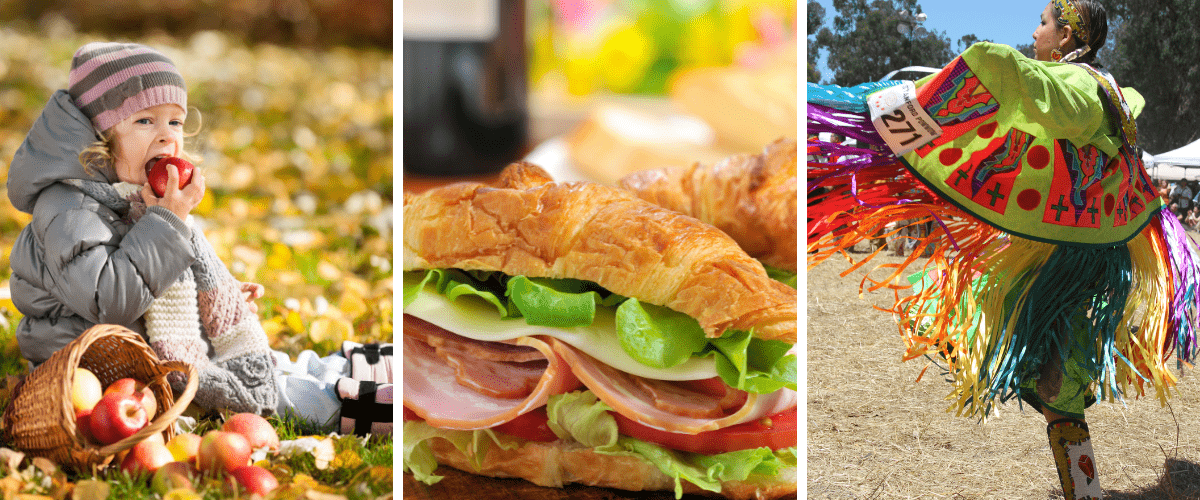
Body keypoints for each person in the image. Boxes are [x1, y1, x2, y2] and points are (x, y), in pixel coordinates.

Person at [807, 2, 1199, 499]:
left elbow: (1033, 88)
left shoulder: (1081, 88)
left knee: (1056, 386)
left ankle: (1082, 478)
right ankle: (1080, 474)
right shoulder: (1101, 90)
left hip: (1076, 267)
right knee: (1040, 377)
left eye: (1042, 23)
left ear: (1065, 37)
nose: (1034, 32)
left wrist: (991, 63)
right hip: (1065, 257)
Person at [6, 42, 391, 435]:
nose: (166, 137)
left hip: (145, 343)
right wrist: (168, 221)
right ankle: (353, 405)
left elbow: (151, 275)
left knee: (256, 359)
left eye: (175, 122)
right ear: (99, 133)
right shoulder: (67, 208)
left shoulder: (128, 193)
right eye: (145, 121)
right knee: (259, 390)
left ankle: (349, 365)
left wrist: (213, 299)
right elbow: (111, 299)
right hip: (101, 367)